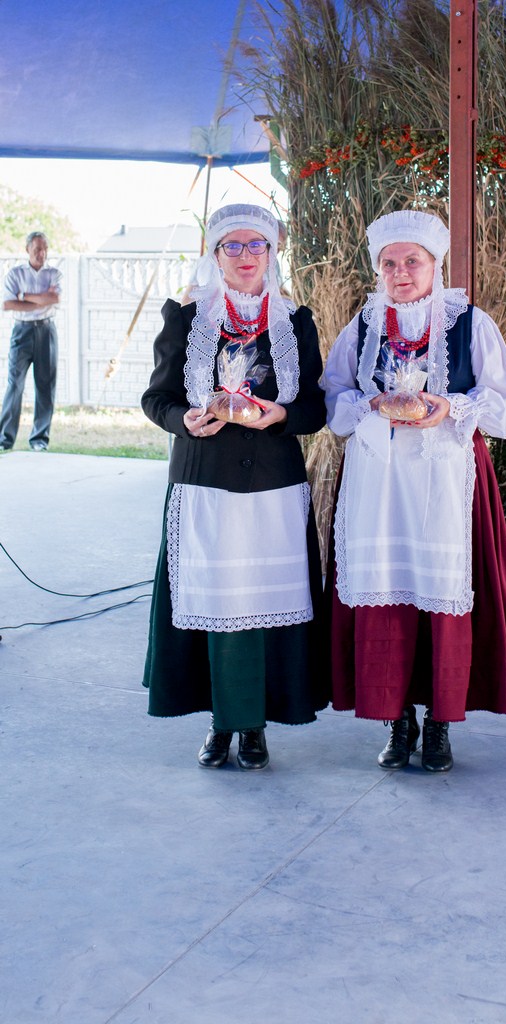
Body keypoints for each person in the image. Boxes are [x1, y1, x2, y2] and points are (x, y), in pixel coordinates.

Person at [322, 209, 506, 772]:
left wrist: (449, 407)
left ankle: (438, 723)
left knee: (437, 593)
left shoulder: (468, 323)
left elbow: (501, 400)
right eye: (389, 263)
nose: (400, 272)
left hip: (445, 478)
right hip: (378, 482)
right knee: (387, 594)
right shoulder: (363, 326)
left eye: (412, 261)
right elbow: (332, 397)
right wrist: (370, 404)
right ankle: (397, 721)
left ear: (435, 266)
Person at [141, 203, 328, 770]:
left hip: (273, 483)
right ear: (215, 254)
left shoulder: (294, 320)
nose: (246, 257)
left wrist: (280, 416)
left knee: (265, 606)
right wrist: (185, 421)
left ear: (272, 254)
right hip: (204, 481)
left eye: (257, 247)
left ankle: (255, 730)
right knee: (212, 603)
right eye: (233, 247)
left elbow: (316, 406)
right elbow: (157, 398)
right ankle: (222, 724)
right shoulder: (185, 314)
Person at [0, 231, 61, 451]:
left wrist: (23, 296)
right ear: (27, 249)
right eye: (37, 249)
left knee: (45, 385)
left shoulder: (54, 273)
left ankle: (39, 440)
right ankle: (4, 440)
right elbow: (8, 304)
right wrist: (39, 300)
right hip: (22, 332)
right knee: (14, 385)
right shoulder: (15, 274)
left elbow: (54, 299)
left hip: (46, 331)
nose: (41, 253)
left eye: (44, 249)